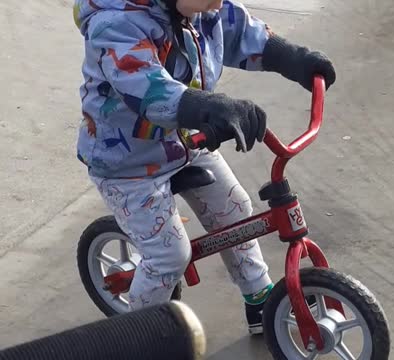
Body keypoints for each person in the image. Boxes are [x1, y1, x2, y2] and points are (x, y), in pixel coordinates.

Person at [73, 0, 336, 334]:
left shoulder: (203, 9)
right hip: (127, 163)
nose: (218, 1)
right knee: (169, 256)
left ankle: (259, 299)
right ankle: (137, 335)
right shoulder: (115, 25)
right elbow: (146, 87)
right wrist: (208, 106)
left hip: (185, 142)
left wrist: (292, 58)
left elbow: (242, 32)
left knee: (236, 209)